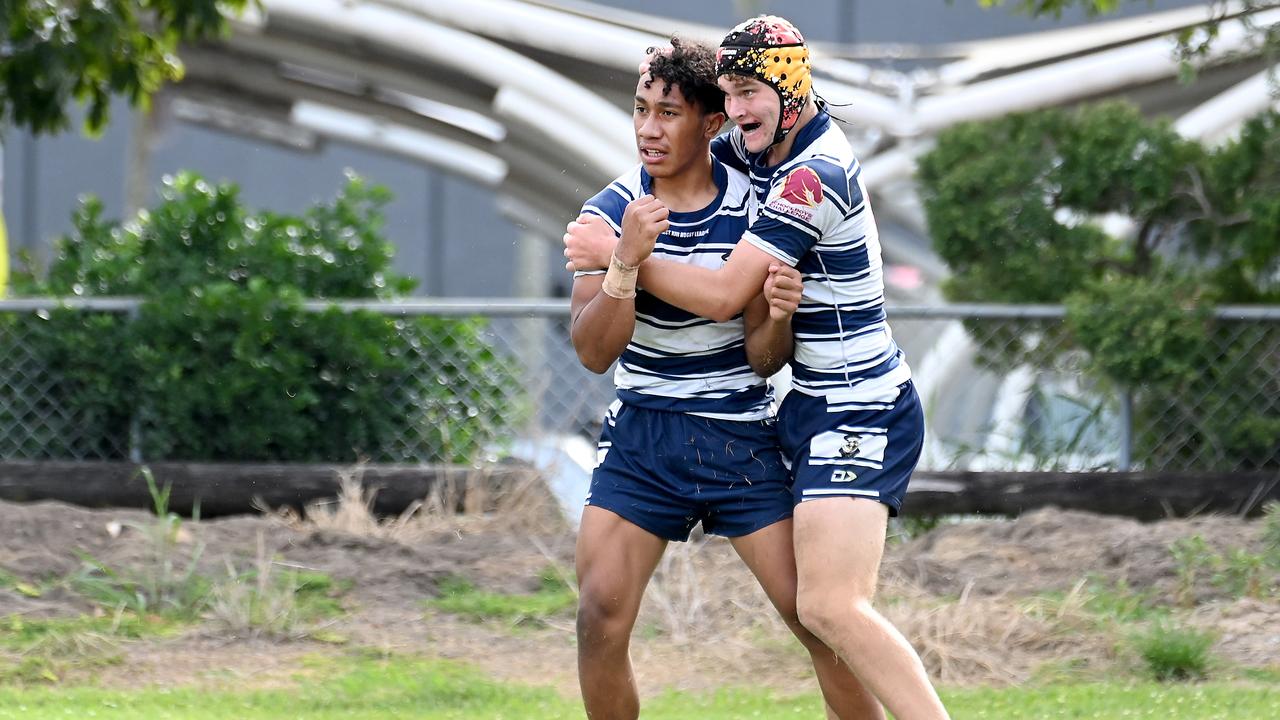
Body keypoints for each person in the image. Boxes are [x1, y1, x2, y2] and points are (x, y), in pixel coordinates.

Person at [564, 16, 950, 720]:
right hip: (666, 430)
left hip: (793, 420)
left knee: (825, 615)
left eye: (670, 114)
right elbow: (591, 353)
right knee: (598, 617)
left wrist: (628, 255)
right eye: (640, 111)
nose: (650, 130)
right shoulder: (674, 183)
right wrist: (623, 258)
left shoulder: (799, 176)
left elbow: (732, 314)